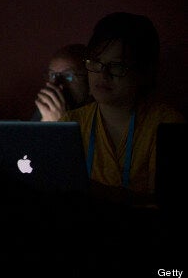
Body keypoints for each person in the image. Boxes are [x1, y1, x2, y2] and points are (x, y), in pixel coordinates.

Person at [60, 12, 185, 207]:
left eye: (117, 66)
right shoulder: (70, 124)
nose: (103, 74)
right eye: (96, 62)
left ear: (144, 72)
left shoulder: (167, 125)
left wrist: (101, 193)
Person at [32, 43, 92, 121]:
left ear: (89, 80)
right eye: (53, 75)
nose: (57, 84)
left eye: (68, 76)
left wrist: (59, 124)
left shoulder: (100, 115)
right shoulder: (49, 107)